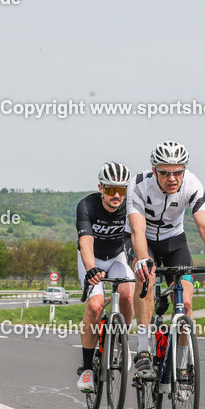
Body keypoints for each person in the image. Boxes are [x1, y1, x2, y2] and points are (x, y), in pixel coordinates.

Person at [128, 140, 205, 381]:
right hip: (142, 239)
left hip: (174, 241)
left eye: (178, 171)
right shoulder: (137, 185)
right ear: (154, 170)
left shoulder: (192, 184)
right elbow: (136, 230)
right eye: (165, 172)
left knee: (186, 305)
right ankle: (144, 349)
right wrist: (143, 259)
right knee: (146, 274)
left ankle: (184, 363)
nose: (172, 177)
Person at [75, 161, 135, 393]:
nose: (117, 195)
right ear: (101, 188)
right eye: (111, 190)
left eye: (122, 190)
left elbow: (135, 237)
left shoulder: (131, 207)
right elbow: (86, 241)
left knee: (128, 294)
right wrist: (91, 268)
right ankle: (88, 367)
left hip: (117, 256)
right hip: (92, 258)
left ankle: (121, 340)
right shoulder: (87, 206)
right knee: (95, 305)